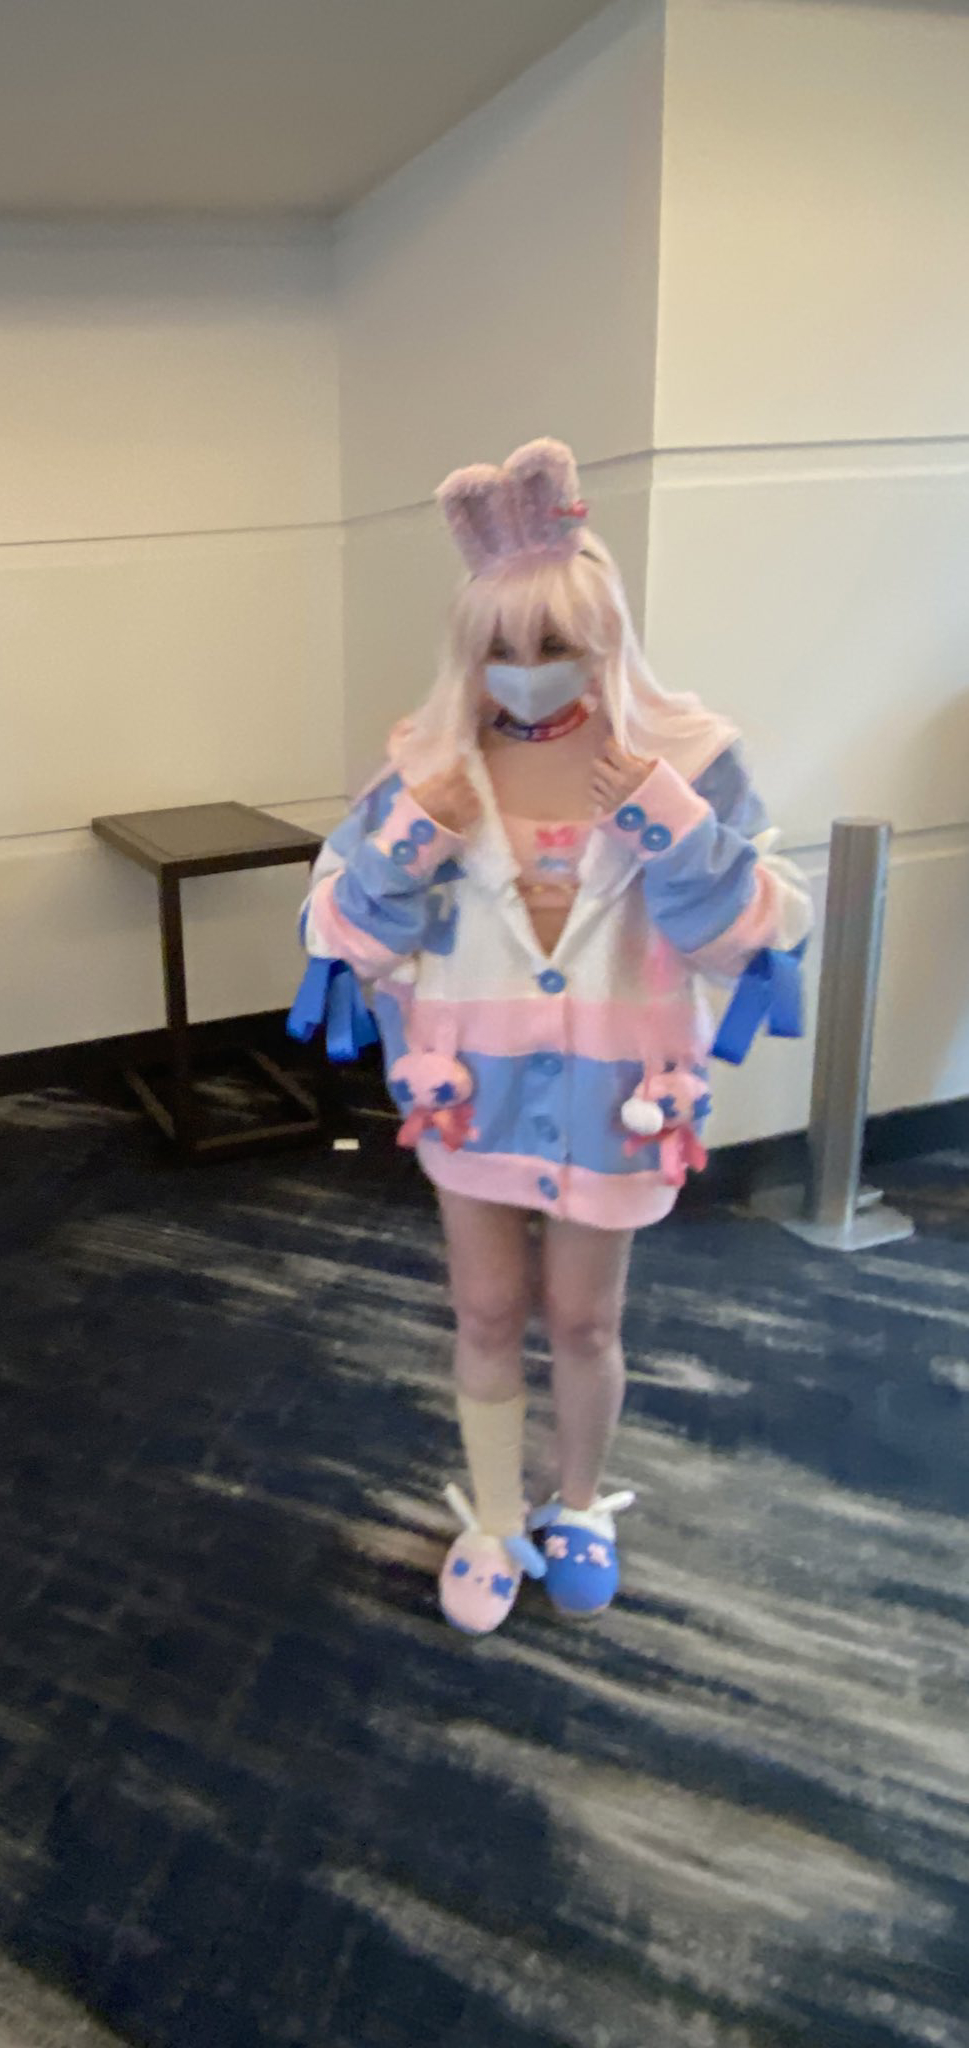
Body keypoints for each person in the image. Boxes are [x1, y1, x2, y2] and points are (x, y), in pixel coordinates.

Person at [297, 438, 813, 1636]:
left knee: (585, 1320)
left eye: (555, 645)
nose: (528, 674)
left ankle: (580, 1503)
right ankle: (492, 1514)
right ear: (469, 649)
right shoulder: (426, 767)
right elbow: (335, 934)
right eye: (504, 648)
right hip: (467, 1090)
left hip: (619, 1096)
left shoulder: (686, 759)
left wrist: (667, 822)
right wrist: (410, 841)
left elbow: (767, 931)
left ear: (605, 637)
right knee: (484, 1312)